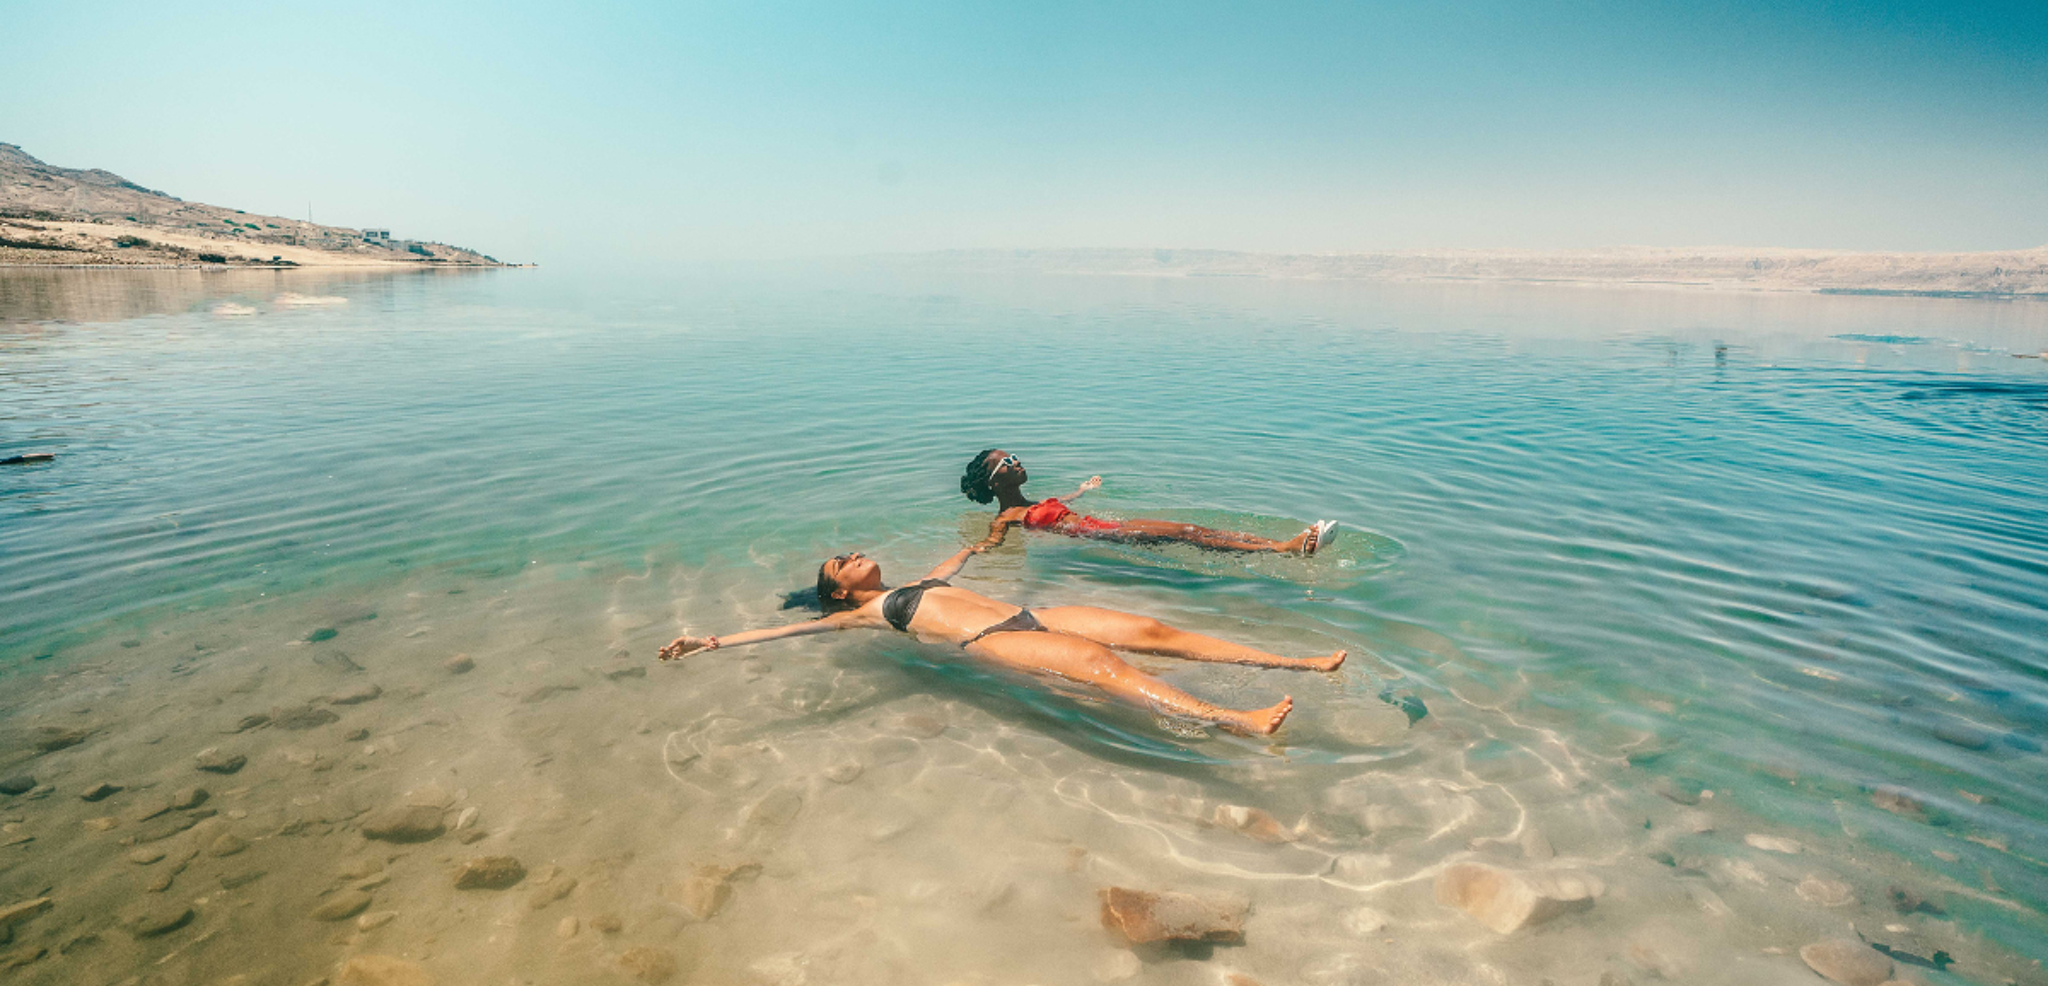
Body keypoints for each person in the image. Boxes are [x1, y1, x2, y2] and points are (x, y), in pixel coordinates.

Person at [657, 540, 1344, 736]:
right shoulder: (861, 614)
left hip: (1031, 611)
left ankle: (1296, 661)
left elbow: (953, 565)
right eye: (845, 561)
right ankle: (1237, 721)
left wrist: (987, 540)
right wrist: (710, 642)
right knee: (1108, 669)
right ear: (841, 589)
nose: (857, 553)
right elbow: (781, 631)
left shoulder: (920, 580)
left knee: (1153, 631)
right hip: (995, 639)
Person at [961, 448, 1337, 554]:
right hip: (1101, 536)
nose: (1017, 462)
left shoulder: (1037, 500)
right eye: (1008, 463)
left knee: (1194, 529)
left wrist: (1084, 488)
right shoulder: (1007, 516)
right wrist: (972, 552)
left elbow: (1067, 499)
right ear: (995, 483)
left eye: (1015, 458)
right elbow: (991, 543)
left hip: (1107, 526)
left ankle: (1282, 545)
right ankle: (1283, 548)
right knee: (1188, 534)